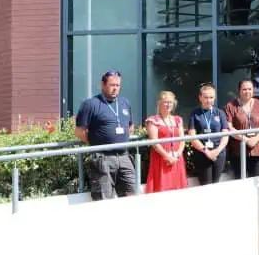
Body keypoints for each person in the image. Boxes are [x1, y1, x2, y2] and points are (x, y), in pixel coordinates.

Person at [75, 70, 136, 201]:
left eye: (118, 85)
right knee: (103, 199)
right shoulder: (90, 104)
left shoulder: (125, 103)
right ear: (103, 85)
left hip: (124, 157)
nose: (115, 88)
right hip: (103, 158)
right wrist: (97, 143)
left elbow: (130, 127)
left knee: (131, 196)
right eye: (112, 85)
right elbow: (79, 132)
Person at [224, 79, 259, 180]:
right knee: (240, 180)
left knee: (256, 180)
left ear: (253, 90)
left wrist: (255, 139)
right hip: (238, 150)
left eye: (250, 89)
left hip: (258, 149)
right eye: (244, 89)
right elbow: (229, 127)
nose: (247, 91)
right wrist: (245, 139)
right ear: (239, 90)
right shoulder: (230, 106)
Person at [144, 91, 187, 193]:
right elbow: (154, 142)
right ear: (159, 103)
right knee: (161, 188)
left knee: (178, 189)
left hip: (177, 158)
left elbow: (182, 140)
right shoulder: (153, 120)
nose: (168, 105)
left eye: (171, 102)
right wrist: (167, 156)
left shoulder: (178, 119)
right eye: (166, 102)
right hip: (161, 158)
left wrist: (177, 155)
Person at [188, 84, 230, 185]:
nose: (209, 100)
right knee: (205, 185)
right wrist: (207, 152)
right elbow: (192, 136)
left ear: (214, 98)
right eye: (206, 97)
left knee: (216, 183)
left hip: (218, 154)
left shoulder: (220, 113)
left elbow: (225, 134)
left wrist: (217, 150)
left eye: (211, 97)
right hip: (202, 154)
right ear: (200, 98)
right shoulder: (195, 113)